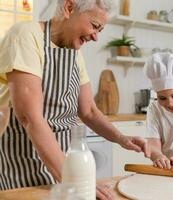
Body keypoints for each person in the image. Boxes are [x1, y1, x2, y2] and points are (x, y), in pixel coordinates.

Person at [0, 0, 150, 199]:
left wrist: (122, 139)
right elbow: (31, 118)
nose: (96, 37)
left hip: (65, 165)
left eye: (100, 30)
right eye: (94, 26)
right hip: (20, 164)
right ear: (69, 8)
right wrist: (73, 181)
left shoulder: (74, 52)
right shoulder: (25, 35)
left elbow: (88, 110)